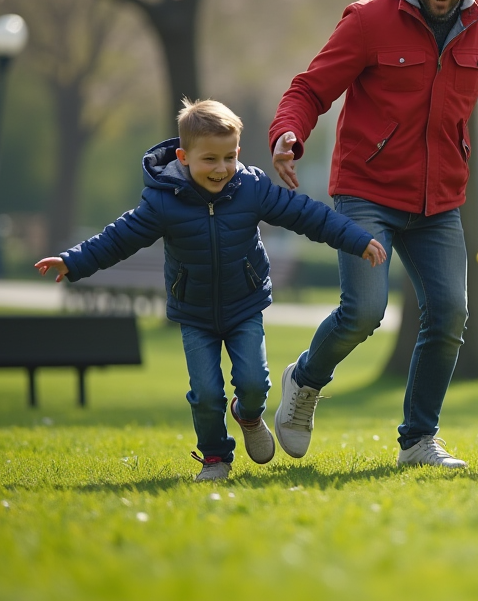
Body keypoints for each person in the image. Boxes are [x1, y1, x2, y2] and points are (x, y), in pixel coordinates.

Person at [265, 0, 478, 469]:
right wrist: (288, 133)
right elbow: (311, 88)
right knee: (364, 311)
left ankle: (418, 440)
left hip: (441, 200)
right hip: (367, 190)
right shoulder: (370, 19)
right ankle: (304, 382)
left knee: (451, 313)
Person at [34, 99, 386, 482]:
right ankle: (216, 458)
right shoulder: (162, 202)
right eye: (210, 160)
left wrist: (356, 239)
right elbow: (119, 238)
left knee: (254, 383)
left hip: (244, 304)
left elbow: (306, 214)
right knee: (205, 393)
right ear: (184, 157)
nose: (221, 169)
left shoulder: (251, 189)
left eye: (229, 157)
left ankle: (249, 415)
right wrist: (73, 261)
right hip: (194, 312)